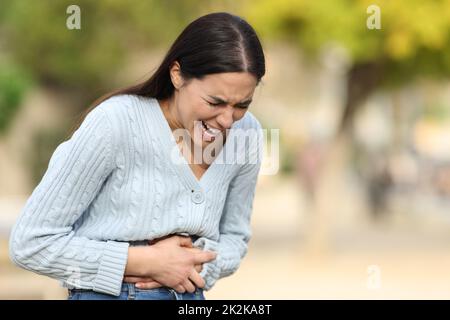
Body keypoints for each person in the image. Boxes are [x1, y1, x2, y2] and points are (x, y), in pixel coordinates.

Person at [9, 12, 266, 300]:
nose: (228, 120)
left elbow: (235, 237)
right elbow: (31, 242)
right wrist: (143, 262)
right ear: (177, 74)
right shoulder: (116, 122)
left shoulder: (247, 134)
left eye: (242, 105)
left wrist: (194, 264)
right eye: (214, 102)